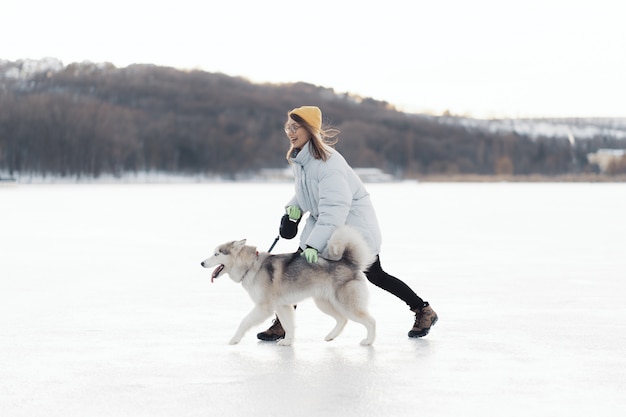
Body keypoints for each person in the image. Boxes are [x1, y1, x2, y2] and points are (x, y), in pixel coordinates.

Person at [257, 106, 437, 341]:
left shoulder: (329, 164)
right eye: (287, 127)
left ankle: (423, 310)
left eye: (295, 127)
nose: (290, 132)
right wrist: (293, 211)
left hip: (354, 228)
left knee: (375, 275)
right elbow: (306, 193)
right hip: (326, 224)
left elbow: (335, 209)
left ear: (310, 129)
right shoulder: (302, 160)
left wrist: (312, 245)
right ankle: (282, 325)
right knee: (295, 271)